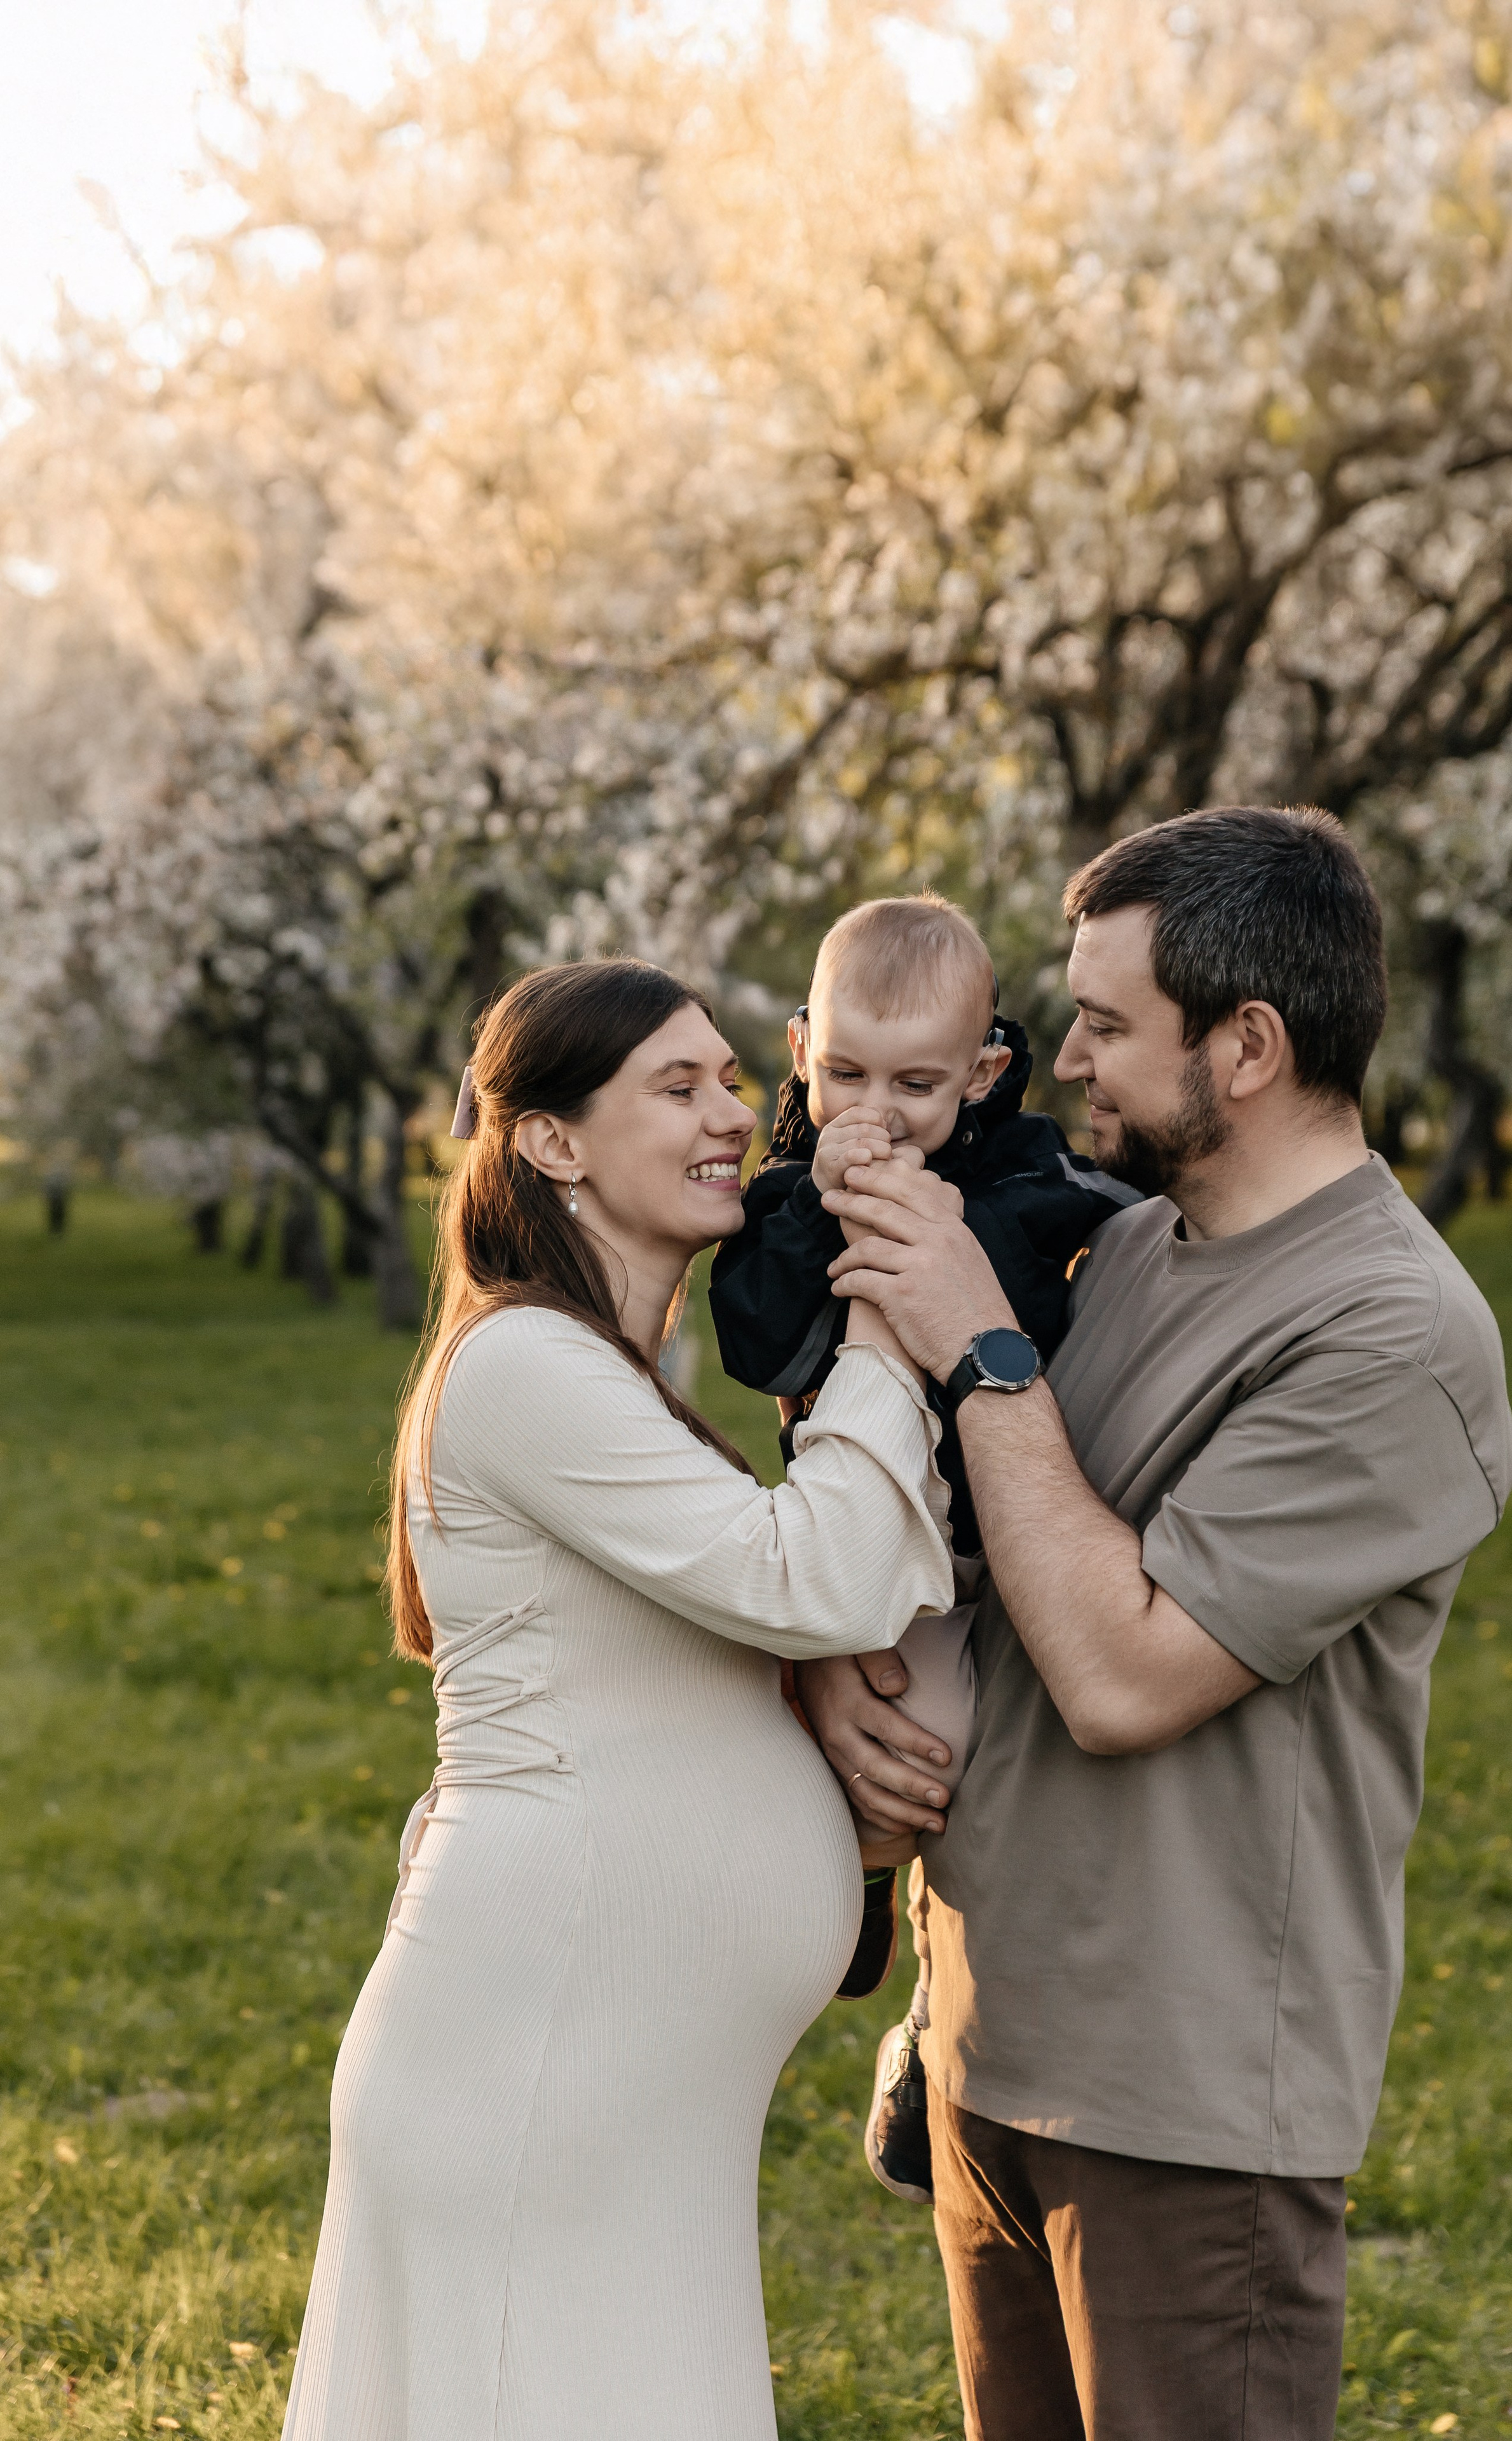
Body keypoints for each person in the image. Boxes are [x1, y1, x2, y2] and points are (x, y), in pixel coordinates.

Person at [799, 807, 1512, 2441]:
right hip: (991, 2046)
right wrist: (834, 1686)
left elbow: (1122, 1674)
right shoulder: (1126, 1249)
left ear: (1245, 1045)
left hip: (1186, 2124)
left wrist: (980, 1345)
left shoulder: (1388, 1334)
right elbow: (987, 1559)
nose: (1065, 1059)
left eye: (1108, 1024)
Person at [280, 957, 955, 2441]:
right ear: (551, 1142)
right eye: (679, 1085)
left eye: (730, 1078)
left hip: (621, 2095)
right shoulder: (524, 1363)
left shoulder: (620, 1376)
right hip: (535, 2070)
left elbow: (713, 1641)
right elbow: (817, 1577)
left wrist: (814, 1711)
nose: (734, 1113)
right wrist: (890, 1331)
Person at [709, 892, 1133, 2195]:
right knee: (816, 1750)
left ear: (985, 1071)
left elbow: (1100, 1244)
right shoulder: (787, 1185)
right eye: (842, 1074)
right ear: (799, 1052)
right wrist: (814, 1218)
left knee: (927, 1752)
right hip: (846, 1527)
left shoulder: (1021, 1173)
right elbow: (758, 1346)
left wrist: (949, 1244)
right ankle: (840, 1914)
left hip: (967, 1549)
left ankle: (914, 2015)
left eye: (915, 1083)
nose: (875, 1112)